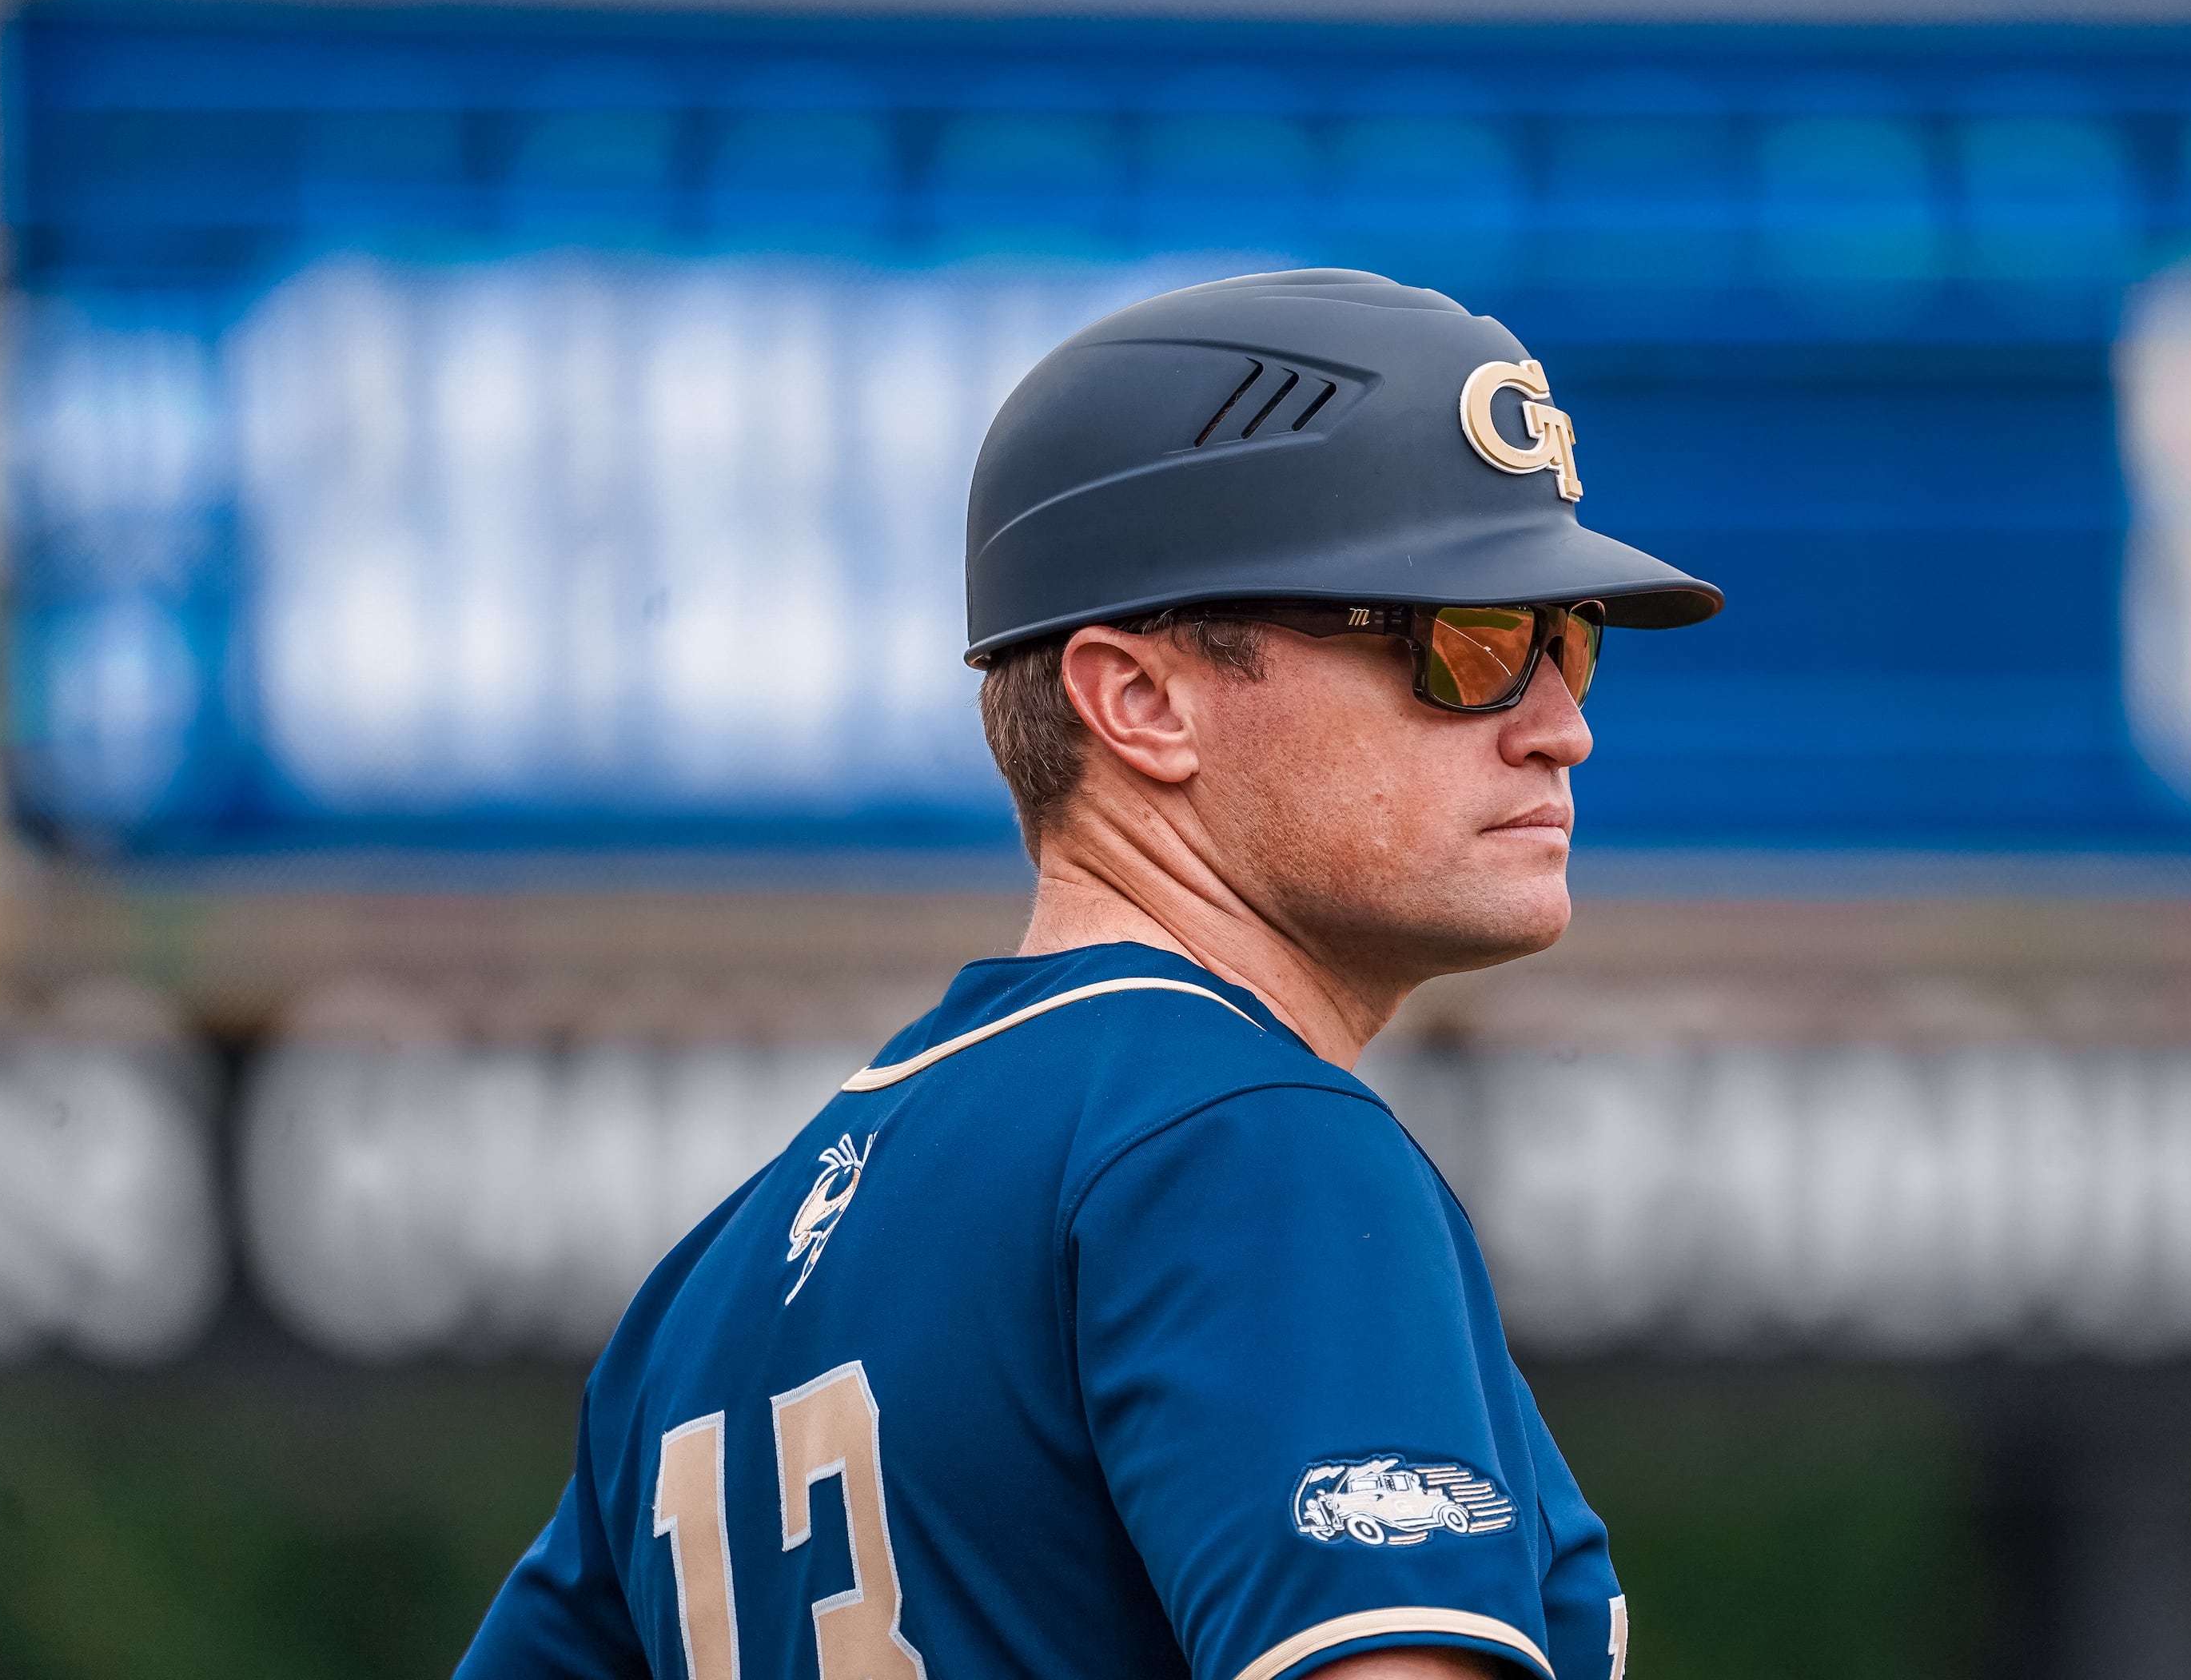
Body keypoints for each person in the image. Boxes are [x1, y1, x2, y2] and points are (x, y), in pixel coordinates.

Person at [456, 269, 1722, 1680]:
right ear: (1142, 700)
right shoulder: (1241, 1141)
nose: (1560, 728)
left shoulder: (709, 1292)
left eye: (1573, 646)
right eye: (1466, 643)